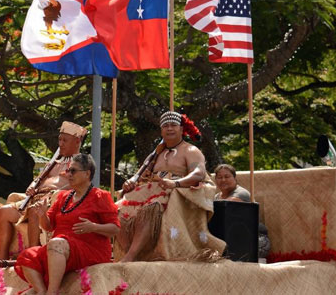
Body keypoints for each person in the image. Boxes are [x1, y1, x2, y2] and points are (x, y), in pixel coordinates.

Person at [115, 111, 224, 262]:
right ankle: (130, 250)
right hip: (150, 189)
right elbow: (140, 176)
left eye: (173, 125)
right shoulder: (155, 154)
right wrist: (130, 182)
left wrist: (176, 183)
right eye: (165, 126)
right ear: (161, 131)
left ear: (181, 129)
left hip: (174, 192)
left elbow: (198, 173)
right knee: (115, 209)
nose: (169, 128)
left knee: (151, 208)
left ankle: (131, 255)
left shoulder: (190, 150)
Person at [15, 154, 119, 295]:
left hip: (89, 249)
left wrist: (93, 227)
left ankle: (52, 292)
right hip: (60, 250)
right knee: (27, 255)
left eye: (73, 171)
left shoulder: (100, 196)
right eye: (68, 171)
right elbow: (48, 226)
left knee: (57, 243)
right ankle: (41, 290)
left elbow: (114, 229)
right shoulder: (63, 196)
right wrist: (42, 215)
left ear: (87, 173)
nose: (68, 174)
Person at [0, 121, 87, 259]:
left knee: (35, 210)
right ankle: (2, 259)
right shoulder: (54, 163)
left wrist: (51, 190)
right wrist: (32, 186)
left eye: (65, 140)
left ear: (77, 141)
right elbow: (38, 179)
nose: (60, 144)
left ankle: (33, 257)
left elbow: (78, 187)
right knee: (4, 212)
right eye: (59, 140)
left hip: (54, 204)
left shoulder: (81, 163)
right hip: (35, 199)